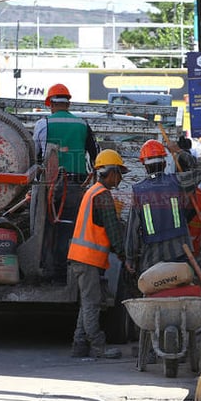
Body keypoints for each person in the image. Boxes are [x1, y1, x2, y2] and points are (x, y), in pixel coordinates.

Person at [33, 83, 100, 283]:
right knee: (69, 227)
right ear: (68, 104)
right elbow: (95, 154)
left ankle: (50, 269)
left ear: (51, 104)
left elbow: (35, 156)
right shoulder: (82, 124)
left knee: (46, 226)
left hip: (50, 184)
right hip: (76, 185)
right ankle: (68, 270)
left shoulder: (43, 124)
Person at [67, 149, 128, 359]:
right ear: (110, 173)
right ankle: (98, 346)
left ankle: (79, 344)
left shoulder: (91, 191)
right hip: (87, 258)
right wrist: (123, 255)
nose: (120, 178)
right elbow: (113, 230)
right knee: (92, 302)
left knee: (87, 301)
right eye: (119, 173)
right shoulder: (102, 196)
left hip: (80, 257)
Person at [125, 139, 201, 274]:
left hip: (152, 260)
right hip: (180, 253)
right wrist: (179, 152)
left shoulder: (138, 191)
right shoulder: (178, 182)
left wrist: (130, 258)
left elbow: (132, 230)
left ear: (144, 166)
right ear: (164, 163)